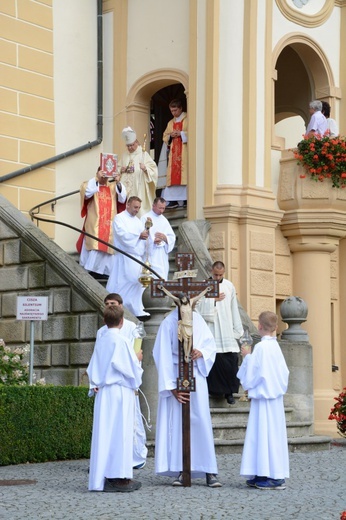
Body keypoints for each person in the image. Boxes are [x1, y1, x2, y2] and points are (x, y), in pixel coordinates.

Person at [153, 305, 222, 488]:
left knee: (201, 423)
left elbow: (210, 346)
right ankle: (182, 469)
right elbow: (161, 355)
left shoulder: (199, 320)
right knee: (177, 426)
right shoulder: (168, 323)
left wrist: (202, 353)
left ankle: (209, 469)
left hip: (196, 375)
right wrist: (171, 387)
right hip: (176, 377)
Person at [87, 305, 143, 492]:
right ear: (121, 322)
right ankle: (119, 477)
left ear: (104, 321)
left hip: (103, 393)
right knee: (121, 433)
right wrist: (137, 359)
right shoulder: (122, 341)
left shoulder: (101, 340)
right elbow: (129, 369)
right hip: (120, 392)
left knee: (104, 434)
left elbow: (92, 367)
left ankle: (102, 475)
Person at [237, 311, 290, 490]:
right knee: (269, 436)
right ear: (275, 328)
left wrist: (246, 356)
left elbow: (253, 374)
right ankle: (261, 472)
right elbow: (283, 373)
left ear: (259, 326)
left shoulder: (260, 348)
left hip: (263, 399)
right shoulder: (276, 347)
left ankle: (273, 476)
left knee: (263, 436)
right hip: (274, 400)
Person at [96, 293, 148, 469]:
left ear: (121, 306)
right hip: (113, 381)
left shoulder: (132, 327)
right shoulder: (101, 332)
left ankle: (135, 456)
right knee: (108, 425)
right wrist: (95, 383)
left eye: (114, 303)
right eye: (108, 304)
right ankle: (108, 459)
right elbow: (98, 359)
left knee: (131, 422)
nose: (111, 306)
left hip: (126, 382)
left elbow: (134, 353)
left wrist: (136, 361)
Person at [196, 261, 243, 405]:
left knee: (230, 360)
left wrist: (237, 329)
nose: (217, 278)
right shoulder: (204, 286)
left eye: (220, 275)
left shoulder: (229, 286)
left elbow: (234, 307)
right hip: (211, 328)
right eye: (215, 275)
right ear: (211, 271)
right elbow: (197, 307)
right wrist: (212, 300)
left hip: (226, 327)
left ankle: (229, 393)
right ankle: (214, 391)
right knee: (214, 359)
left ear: (224, 273)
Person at [106, 196, 150, 320]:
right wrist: (138, 236)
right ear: (128, 205)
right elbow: (121, 235)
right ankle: (124, 307)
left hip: (136, 257)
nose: (137, 210)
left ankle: (136, 307)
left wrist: (146, 232)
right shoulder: (119, 218)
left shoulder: (138, 221)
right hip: (125, 256)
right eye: (135, 207)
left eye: (139, 208)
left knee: (138, 282)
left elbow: (143, 239)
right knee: (127, 281)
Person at [78, 167, 126, 277]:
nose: (105, 178)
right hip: (95, 222)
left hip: (109, 223)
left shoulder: (113, 187)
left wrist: (118, 182)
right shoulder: (91, 184)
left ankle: (105, 271)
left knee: (108, 247)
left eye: (106, 176)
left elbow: (122, 199)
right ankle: (91, 269)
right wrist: (97, 178)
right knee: (95, 244)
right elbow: (87, 193)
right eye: (102, 175)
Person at [118, 127, 158, 216]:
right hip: (126, 187)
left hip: (138, 186)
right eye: (128, 146)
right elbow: (117, 169)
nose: (130, 147)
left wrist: (145, 169)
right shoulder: (124, 155)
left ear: (136, 142)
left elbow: (153, 169)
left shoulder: (143, 154)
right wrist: (121, 169)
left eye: (132, 145)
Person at [140, 197, 176, 280]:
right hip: (151, 253)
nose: (162, 211)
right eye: (160, 208)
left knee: (162, 277)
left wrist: (165, 238)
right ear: (153, 206)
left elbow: (172, 237)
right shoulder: (145, 218)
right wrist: (153, 242)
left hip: (161, 255)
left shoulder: (164, 220)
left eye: (163, 208)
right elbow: (142, 236)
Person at [161, 99, 188, 209]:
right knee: (172, 176)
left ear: (181, 108)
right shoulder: (170, 123)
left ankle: (186, 199)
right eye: (172, 111)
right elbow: (164, 136)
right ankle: (173, 200)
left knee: (185, 175)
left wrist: (181, 133)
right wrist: (170, 135)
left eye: (175, 110)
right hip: (173, 154)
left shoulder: (188, 119)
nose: (173, 113)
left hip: (185, 152)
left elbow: (194, 132)